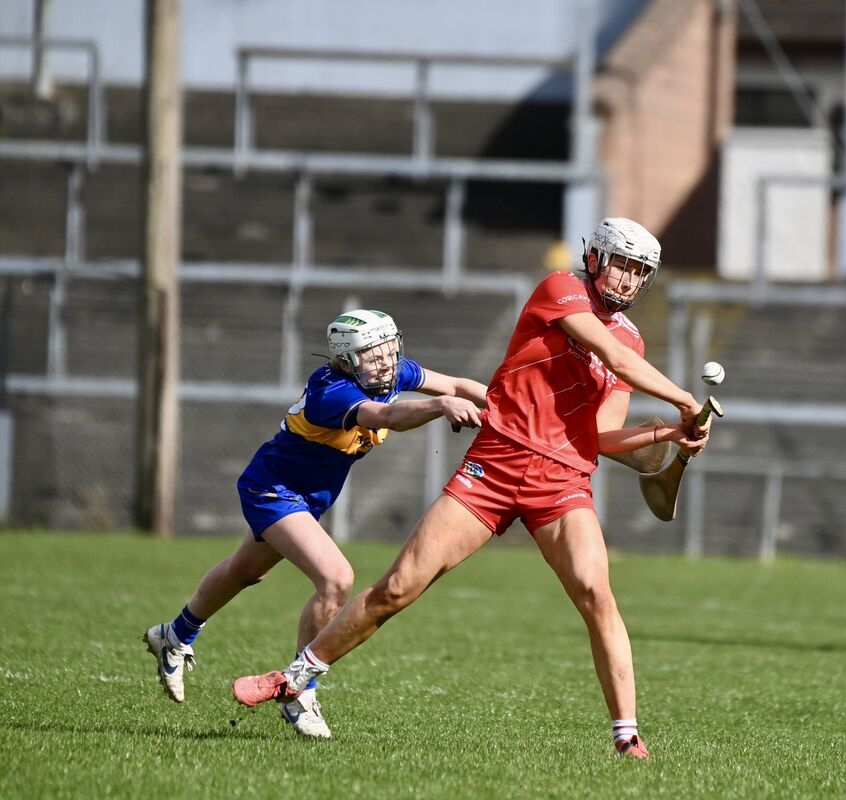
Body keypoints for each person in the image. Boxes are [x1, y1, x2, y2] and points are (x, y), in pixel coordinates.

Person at [231, 217, 710, 758]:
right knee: (397, 588)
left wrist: (672, 432)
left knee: (598, 596)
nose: (627, 280)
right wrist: (686, 402)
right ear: (597, 258)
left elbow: (600, 435)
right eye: (622, 264)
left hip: (562, 482)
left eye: (639, 272)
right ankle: (294, 677)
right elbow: (619, 360)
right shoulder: (561, 290)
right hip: (496, 465)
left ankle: (627, 737)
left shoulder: (632, 339)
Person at [143, 309, 487, 738]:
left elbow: (457, 385)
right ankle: (300, 691)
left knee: (247, 570)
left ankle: (173, 635)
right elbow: (387, 418)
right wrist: (439, 405)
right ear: (345, 360)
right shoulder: (334, 391)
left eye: (388, 350)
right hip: (273, 488)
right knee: (336, 578)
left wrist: (507, 409)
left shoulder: (389, 373)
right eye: (372, 355)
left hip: (306, 498)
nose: (385, 361)